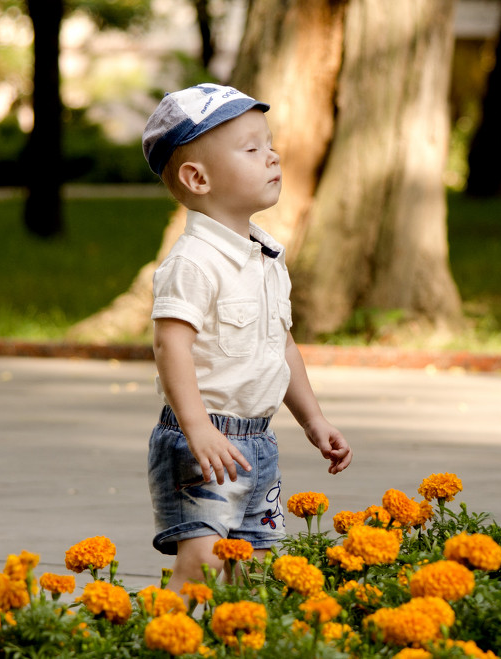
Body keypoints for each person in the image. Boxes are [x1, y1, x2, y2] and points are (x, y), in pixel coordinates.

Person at [141, 83, 352, 591]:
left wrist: (314, 419)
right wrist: (197, 428)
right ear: (198, 177)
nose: (272, 155)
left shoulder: (266, 259)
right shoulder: (192, 262)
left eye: (270, 143)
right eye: (252, 149)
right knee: (205, 562)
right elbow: (171, 347)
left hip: (259, 443)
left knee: (250, 572)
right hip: (203, 443)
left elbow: (281, 347)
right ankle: (166, 640)